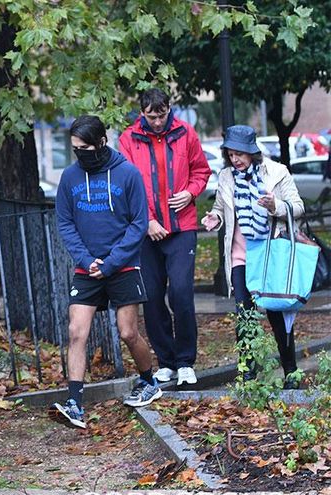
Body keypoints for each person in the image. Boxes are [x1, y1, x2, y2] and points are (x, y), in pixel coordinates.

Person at [52, 115, 162, 429]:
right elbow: (65, 223)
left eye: (85, 148)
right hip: (87, 267)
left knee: (128, 332)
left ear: (102, 142)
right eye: (75, 148)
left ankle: (148, 381)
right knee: (77, 331)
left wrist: (112, 262)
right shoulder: (70, 177)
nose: (80, 154)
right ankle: (75, 403)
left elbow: (138, 224)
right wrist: (86, 260)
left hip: (123, 264)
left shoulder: (128, 174)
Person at [118, 88, 211, 387]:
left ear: (169, 109)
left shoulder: (186, 133)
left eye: (162, 115)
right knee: (153, 297)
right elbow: (126, 187)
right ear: (141, 112)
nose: (157, 122)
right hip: (145, 231)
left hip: (181, 227)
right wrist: (147, 221)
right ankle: (166, 362)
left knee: (181, 292)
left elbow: (202, 170)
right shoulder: (128, 139)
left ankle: (185, 361)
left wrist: (191, 192)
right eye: (151, 117)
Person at [201, 125, 303, 389]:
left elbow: (298, 207)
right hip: (240, 256)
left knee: (277, 314)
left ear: (252, 152)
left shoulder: (277, 172)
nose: (235, 160)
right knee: (244, 315)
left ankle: (290, 371)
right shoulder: (226, 177)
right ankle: (248, 373)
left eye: (240, 154)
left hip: (269, 254)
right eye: (230, 155)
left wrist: (275, 206)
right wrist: (216, 217)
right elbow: (221, 207)